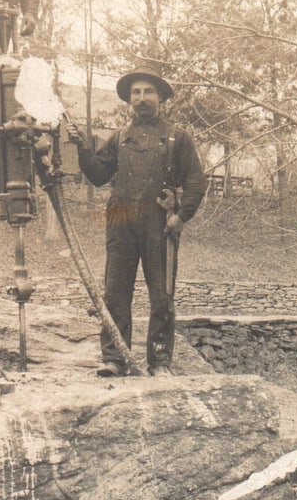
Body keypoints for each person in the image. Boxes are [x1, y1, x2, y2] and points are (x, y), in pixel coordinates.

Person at [67, 62, 206, 378]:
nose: (142, 98)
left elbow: (197, 181)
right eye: (136, 93)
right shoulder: (118, 138)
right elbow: (99, 175)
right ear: (129, 99)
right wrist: (82, 148)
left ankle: (159, 361)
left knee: (162, 294)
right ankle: (115, 357)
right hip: (121, 221)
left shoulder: (177, 138)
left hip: (160, 223)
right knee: (115, 291)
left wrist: (181, 216)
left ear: (160, 98)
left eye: (148, 92)